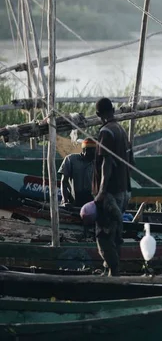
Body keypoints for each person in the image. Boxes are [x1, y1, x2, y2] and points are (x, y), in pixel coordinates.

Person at [92, 97, 132, 277]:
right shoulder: (121, 130)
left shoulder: (106, 132)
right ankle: (111, 270)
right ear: (113, 109)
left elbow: (105, 164)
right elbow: (131, 161)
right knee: (115, 233)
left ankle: (113, 271)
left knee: (104, 233)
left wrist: (101, 191)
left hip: (110, 193)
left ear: (98, 114)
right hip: (123, 191)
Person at [58, 137, 96, 207]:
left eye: (96, 151)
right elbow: (64, 181)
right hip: (73, 201)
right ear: (84, 150)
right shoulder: (70, 160)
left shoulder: (97, 163)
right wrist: (64, 200)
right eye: (91, 151)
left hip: (91, 202)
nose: (94, 154)